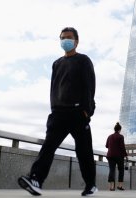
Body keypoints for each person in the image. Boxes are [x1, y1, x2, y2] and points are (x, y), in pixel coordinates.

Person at [18, 27, 97, 196]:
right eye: (62, 38)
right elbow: (54, 88)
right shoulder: (57, 63)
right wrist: (53, 109)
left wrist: (87, 112)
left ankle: (90, 185)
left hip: (78, 113)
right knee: (48, 147)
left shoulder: (83, 60)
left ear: (76, 41)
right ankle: (36, 179)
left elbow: (90, 86)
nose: (65, 41)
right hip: (58, 114)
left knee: (84, 152)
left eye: (69, 37)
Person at [105, 122, 128, 191]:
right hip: (119, 156)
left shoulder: (109, 136)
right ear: (119, 130)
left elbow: (106, 146)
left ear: (114, 129)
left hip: (110, 155)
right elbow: (122, 147)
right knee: (121, 170)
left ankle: (112, 187)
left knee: (111, 170)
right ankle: (119, 186)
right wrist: (126, 155)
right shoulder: (121, 137)